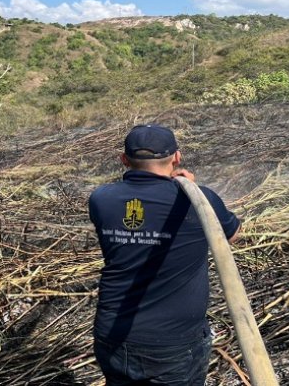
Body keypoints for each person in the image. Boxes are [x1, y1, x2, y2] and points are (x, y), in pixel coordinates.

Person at [88, 124, 241, 385]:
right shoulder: (198, 200)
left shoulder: (101, 198)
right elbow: (233, 234)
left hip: (112, 333)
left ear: (124, 160)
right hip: (173, 345)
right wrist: (193, 191)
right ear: (177, 158)